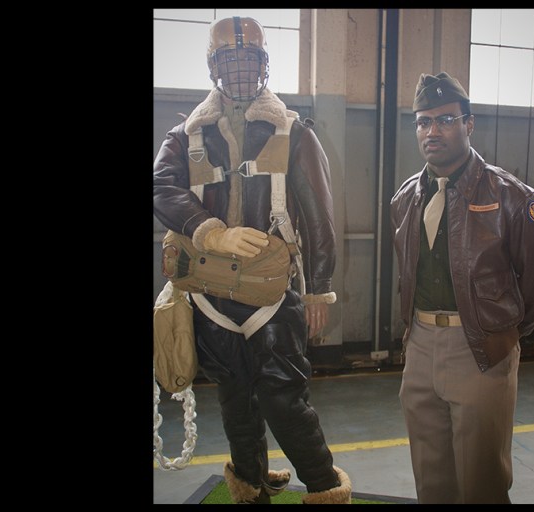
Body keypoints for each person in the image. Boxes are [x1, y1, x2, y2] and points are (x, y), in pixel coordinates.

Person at [153, 16, 351, 504]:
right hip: (210, 293)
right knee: (235, 396)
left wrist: (318, 290)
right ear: (213, 65)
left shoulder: (293, 132)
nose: (239, 68)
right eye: (229, 59)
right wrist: (210, 231)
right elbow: (161, 185)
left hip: (273, 290)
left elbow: (321, 216)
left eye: (247, 58)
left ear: (262, 63)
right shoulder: (185, 135)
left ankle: (324, 488)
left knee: (284, 397)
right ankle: (250, 481)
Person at [389, 72, 534, 504]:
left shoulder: (512, 197)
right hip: (419, 347)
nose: (431, 131)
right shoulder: (405, 199)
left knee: (482, 484)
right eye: (423, 122)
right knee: (432, 479)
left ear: (468, 124)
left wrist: (506, 334)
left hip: (480, 350)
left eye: (444, 120)